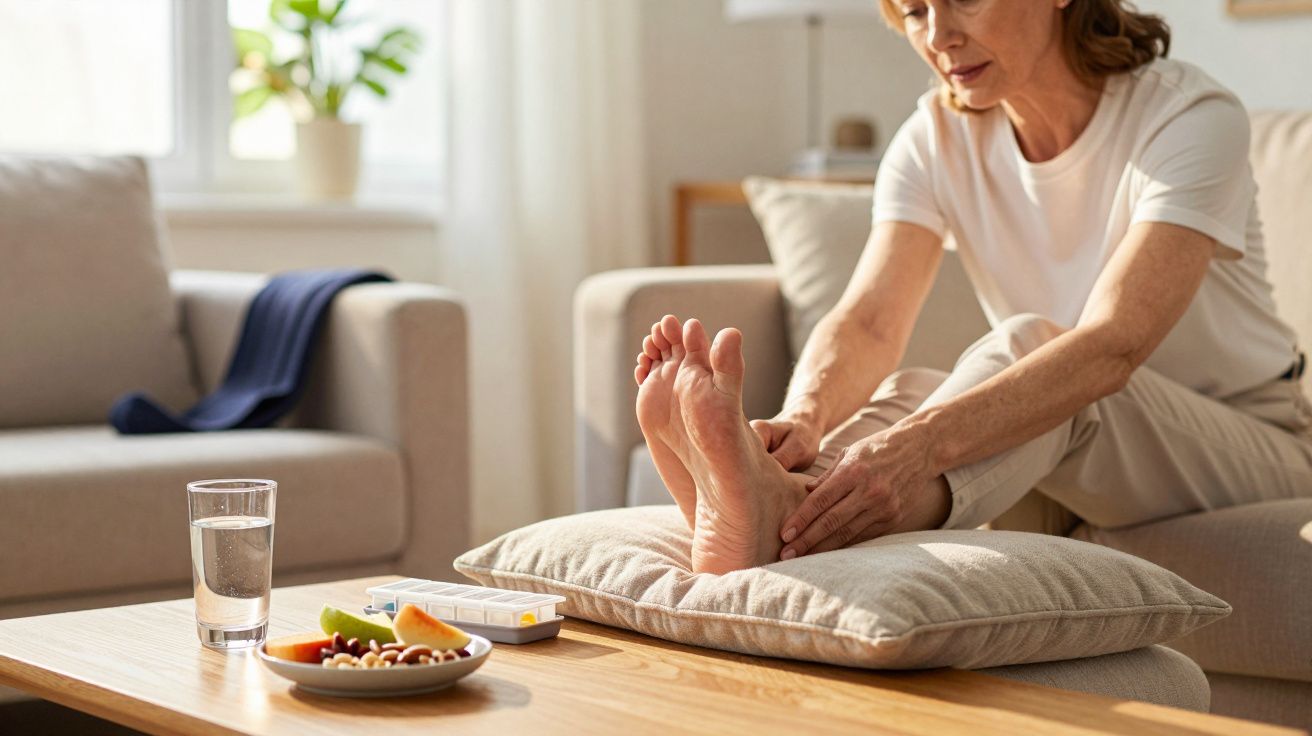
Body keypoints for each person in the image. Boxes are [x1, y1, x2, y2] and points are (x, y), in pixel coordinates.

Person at [633, 0, 1312, 575]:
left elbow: (1113, 345)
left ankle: (779, 515)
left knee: (1030, 355)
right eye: (916, 9)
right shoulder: (934, 137)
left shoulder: (1189, 116)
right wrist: (801, 421)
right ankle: (775, 497)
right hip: (1078, 447)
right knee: (916, 391)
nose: (937, 35)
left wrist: (921, 444)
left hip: (1254, 442)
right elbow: (870, 321)